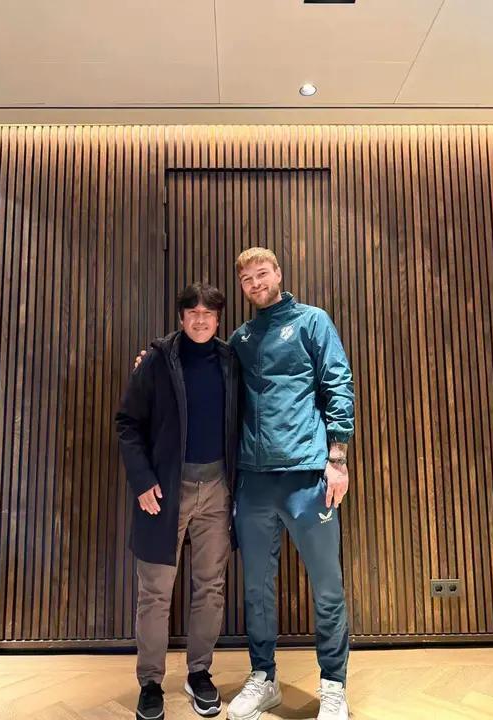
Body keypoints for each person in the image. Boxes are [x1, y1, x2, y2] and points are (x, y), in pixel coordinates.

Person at [226, 247, 354, 720]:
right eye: (247, 279)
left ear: (278, 273)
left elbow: (338, 383)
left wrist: (337, 458)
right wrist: (155, 361)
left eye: (262, 273)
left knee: (327, 587)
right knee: (256, 589)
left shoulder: (312, 321)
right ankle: (264, 678)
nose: (256, 283)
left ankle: (333, 686)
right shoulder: (240, 338)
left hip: (307, 476)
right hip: (254, 482)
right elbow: (205, 372)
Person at [116, 282, 238, 720]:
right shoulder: (156, 361)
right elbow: (127, 424)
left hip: (219, 488)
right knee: (154, 593)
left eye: (209, 313)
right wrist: (142, 480)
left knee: (211, 586)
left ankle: (199, 673)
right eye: (193, 312)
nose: (200, 320)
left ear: (218, 318)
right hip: (165, 490)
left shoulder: (231, 361)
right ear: (182, 317)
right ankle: (150, 682)